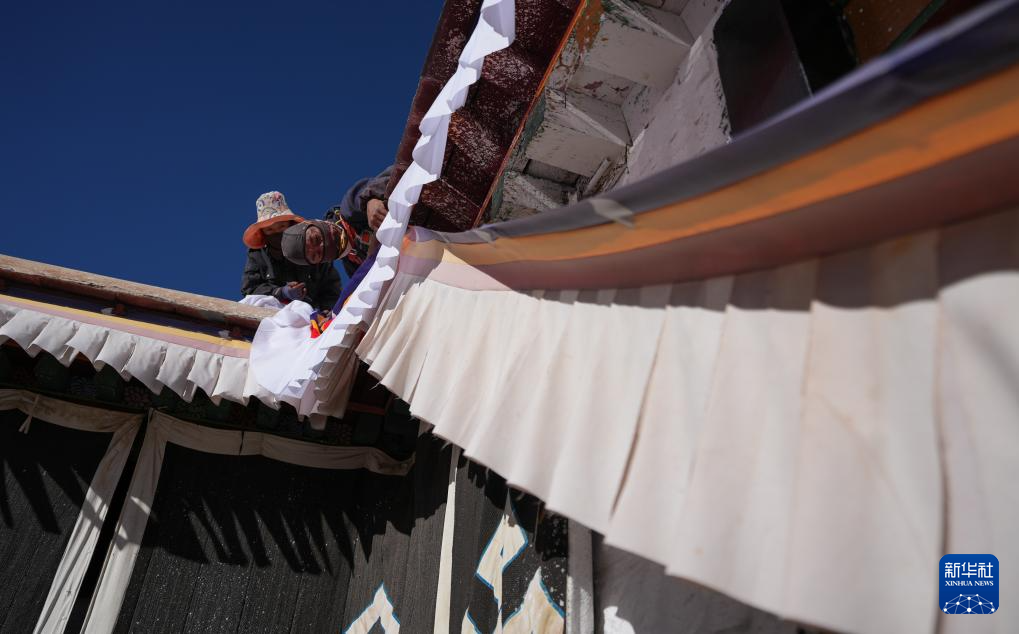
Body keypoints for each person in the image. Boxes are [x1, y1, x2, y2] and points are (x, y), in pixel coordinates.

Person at [240, 191, 341, 311]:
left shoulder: (313, 246)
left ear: (291, 225)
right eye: (269, 230)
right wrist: (281, 292)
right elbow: (250, 289)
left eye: (281, 227)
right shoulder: (257, 255)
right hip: (270, 314)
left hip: (312, 314)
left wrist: (325, 311)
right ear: (263, 233)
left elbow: (331, 288)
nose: (276, 233)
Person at [325, 166, 393, 276]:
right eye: (317, 254)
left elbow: (362, 193)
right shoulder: (352, 265)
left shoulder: (349, 209)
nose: (322, 245)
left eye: (316, 239)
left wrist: (370, 200)